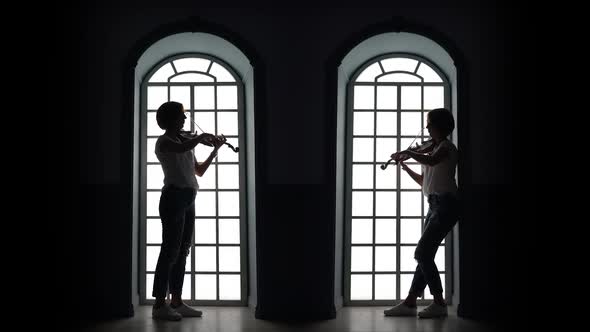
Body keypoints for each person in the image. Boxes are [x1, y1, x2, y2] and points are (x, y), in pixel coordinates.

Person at [151, 101, 226, 321]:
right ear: (172, 119)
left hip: (188, 197)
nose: (185, 119)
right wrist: (201, 138)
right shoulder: (164, 142)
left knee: (182, 250)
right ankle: (159, 305)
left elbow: (199, 171)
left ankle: (176, 301)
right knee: (170, 251)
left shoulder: (185, 141)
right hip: (173, 197)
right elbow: (182, 148)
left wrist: (215, 150)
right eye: (181, 116)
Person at [384, 108, 459, 319]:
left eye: (429, 124)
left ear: (440, 126)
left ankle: (439, 303)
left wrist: (408, 153)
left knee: (422, 253)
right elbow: (424, 182)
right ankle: (410, 303)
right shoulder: (433, 150)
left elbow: (432, 161)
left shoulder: (446, 148)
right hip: (434, 204)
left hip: (446, 205)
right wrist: (406, 167)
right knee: (425, 255)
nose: (426, 128)